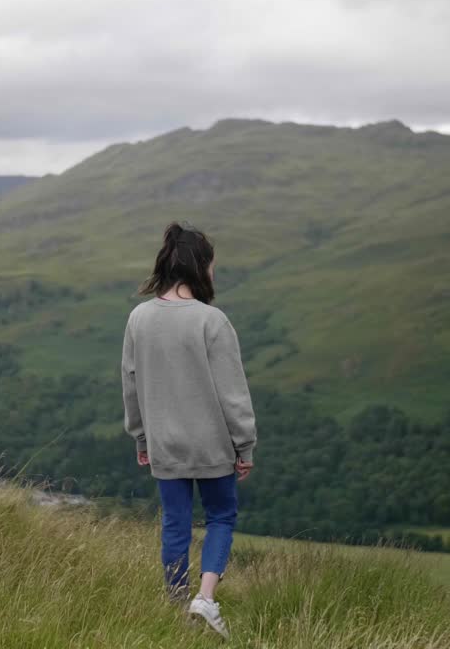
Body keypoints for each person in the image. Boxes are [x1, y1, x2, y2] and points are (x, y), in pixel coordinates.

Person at [121, 220, 258, 639]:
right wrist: (245, 446)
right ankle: (205, 598)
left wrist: (141, 437)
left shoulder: (138, 318)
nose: (213, 274)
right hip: (211, 444)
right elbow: (232, 392)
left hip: (164, 443)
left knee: (175, 525)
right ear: (200, 267)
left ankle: (176, 605)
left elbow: (131, 383)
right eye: (212, 266)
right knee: (221, 515)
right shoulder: (211, 321)